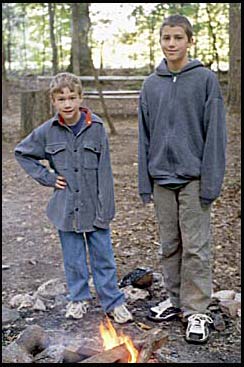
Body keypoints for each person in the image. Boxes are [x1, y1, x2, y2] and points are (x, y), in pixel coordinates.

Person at [14, 72, 133, 324]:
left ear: (80, 97)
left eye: (71, 97)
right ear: (53, 101)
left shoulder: (97, 128)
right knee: (74, 258)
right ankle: (78, 299)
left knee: (104, 257)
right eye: (61, 99)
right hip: (66, 207)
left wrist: (107, 208)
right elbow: (22, 153)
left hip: (95, 205)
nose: (67, 104)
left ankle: (112, 302)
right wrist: (47, 177)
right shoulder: (48, 131)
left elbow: (105, 170)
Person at [138, 14, 226, 343]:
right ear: (160, 41)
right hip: (161, 177)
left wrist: (210, 184)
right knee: (169, 245)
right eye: (166, 38)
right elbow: (144, 137)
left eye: (178, 37)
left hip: (194, 178)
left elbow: (216, 136)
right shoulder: (151, 84)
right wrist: (144, 181)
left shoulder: (205, 80)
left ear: (190, 41)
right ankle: (175, 300)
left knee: (196, 248)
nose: (171, 43)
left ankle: (197, 310)